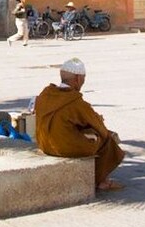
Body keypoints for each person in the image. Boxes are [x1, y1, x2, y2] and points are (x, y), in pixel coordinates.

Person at [34, 58, 125, 191]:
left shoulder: (45, 94)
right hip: (63, 147)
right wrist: (105, 130)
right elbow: (96, 124)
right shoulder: (74, 101)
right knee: (104, 139)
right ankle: (101, 181)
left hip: (44, 144)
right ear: (77, 79)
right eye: (83, 78)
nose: (83, 81)